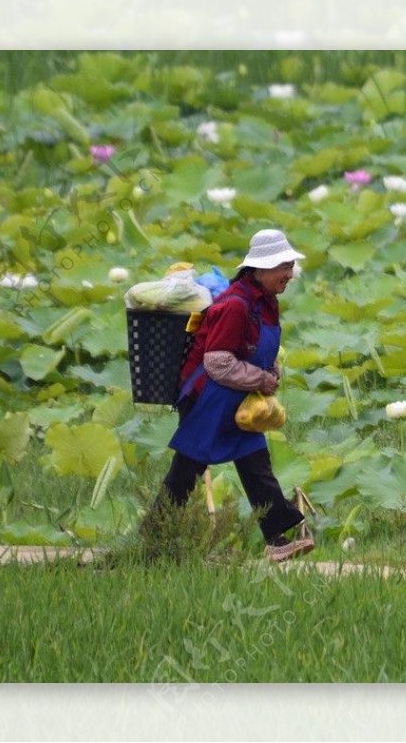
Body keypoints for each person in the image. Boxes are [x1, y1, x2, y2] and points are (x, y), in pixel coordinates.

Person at [158, 228, 313, 562]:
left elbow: (255, 349)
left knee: (256, 464)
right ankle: (154, 539)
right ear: (259, 269)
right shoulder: (236, 306)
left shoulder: (266, 302)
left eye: (289, 265)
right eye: (282, 266)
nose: (288, 273)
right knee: (186, 470)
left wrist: (270, 371)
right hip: (208, 400)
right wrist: (261, 378)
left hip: (236, 399)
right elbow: (217, 362)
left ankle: (276, 539)